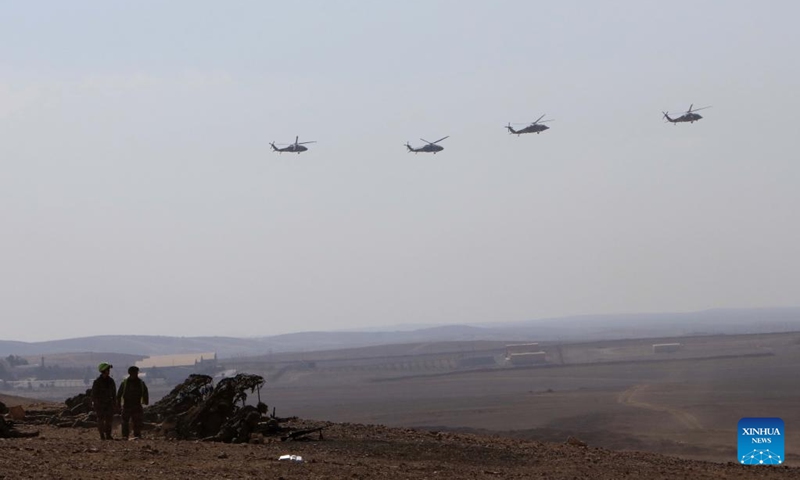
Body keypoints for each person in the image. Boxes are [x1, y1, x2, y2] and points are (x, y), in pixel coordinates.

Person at [117, 365, 149, 439]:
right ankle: (125, 436)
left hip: (137, 405)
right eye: (135, 372)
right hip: (127, 405)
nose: (136, 374)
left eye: (137, 373)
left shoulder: (141, 383)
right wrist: (118, 405)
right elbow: (119, 394)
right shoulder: (125, 383)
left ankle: (137, 435)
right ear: (130, 373)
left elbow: (145, 392)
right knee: (125, 422)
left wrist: (146, 401)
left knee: (137, 422)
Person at [90, 362, 117, 440]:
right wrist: (94, 403)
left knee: (109, 420)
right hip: (100, 404)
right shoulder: (97, 382)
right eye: (107, 369)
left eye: (108, 369)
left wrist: (115, 403)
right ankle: (102, 435)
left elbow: (114, 393)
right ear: (103, 370)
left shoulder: (111, 381)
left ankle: (108, 435)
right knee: (101, 420)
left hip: (109, 403)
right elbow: (93, 394)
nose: (109, 371)